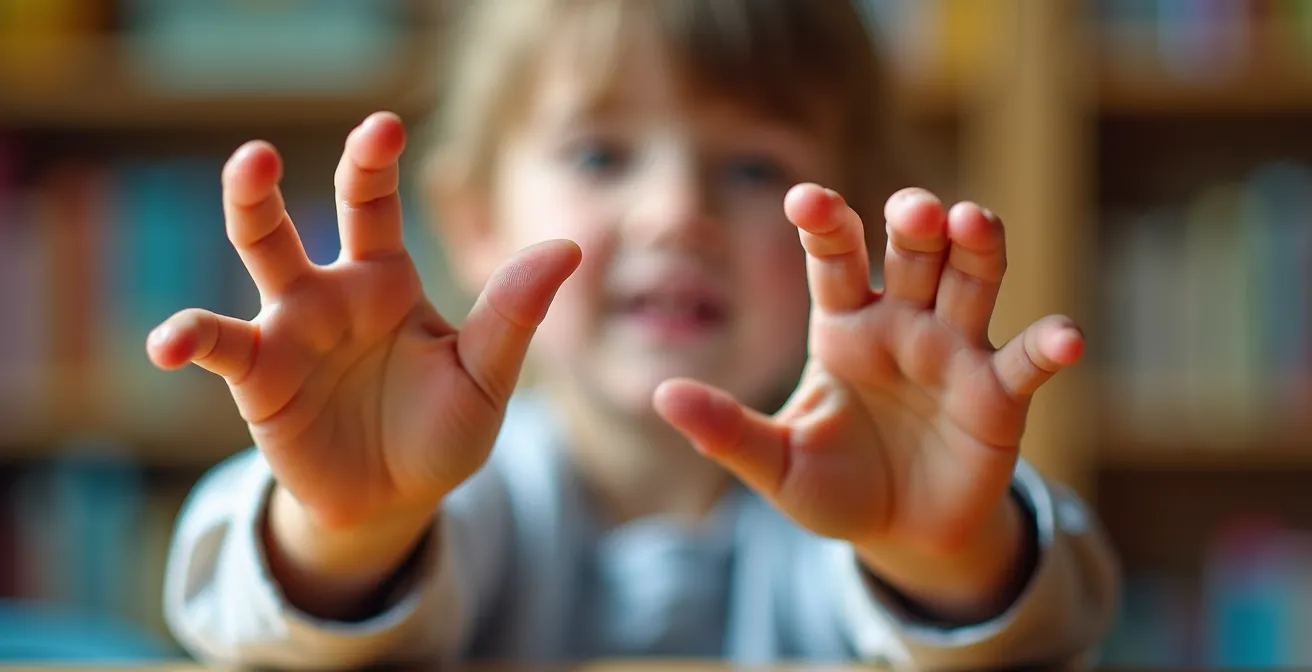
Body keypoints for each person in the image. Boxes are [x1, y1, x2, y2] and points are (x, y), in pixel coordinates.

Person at [148, 0, 1120, 669]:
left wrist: (940, 554)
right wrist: (352, 530)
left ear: (854, 230)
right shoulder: (476, 492)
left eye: (750, 168)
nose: (674, 211)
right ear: (474, 220)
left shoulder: (859, 493)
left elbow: (1045, 626)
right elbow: (240, 616)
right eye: (601, 153)